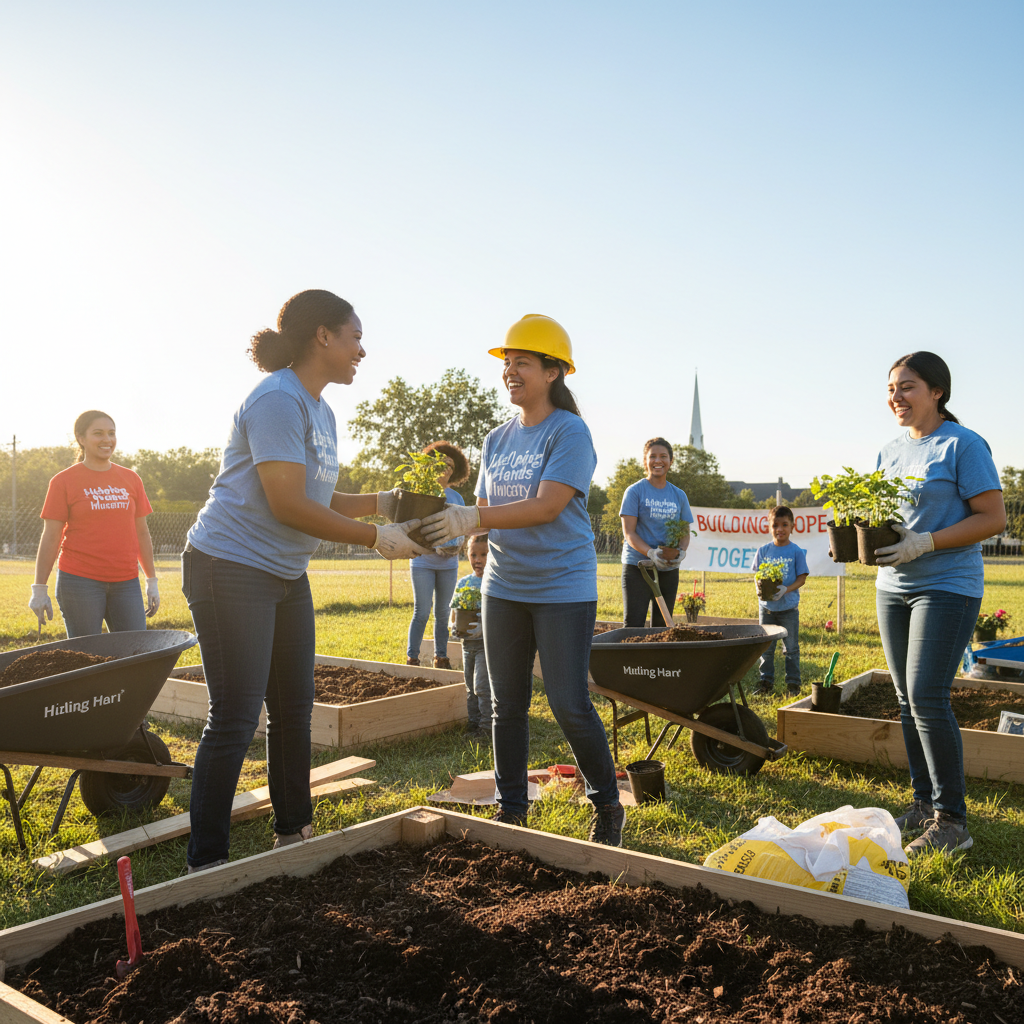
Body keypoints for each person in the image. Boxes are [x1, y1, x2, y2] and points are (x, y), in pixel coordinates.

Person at [182, 289, 428, 873]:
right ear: (323, 336)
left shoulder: (320, 409)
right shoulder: (275, 399)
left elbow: (317, 491)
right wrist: (375, 539)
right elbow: (288, 503)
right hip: (230, 567)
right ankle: (206, 862)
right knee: (237, 717)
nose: (361, 351)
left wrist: (382, 502)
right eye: (355, 337)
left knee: (294, 708)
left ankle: (293, 835)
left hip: (286, 573)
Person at [419, 314, 626, 847]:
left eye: (523, 364)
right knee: (504, 704)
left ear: (553, 372)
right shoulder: (496, 438)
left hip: (562, 586)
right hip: (504, 587)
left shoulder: (569, 432)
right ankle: (511, 811)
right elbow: (486, 504)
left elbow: (547, 506)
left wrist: (476, 520)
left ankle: (605, 801)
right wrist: (472, 536)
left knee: (567, 702)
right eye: (507, 364)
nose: (511, 372)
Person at [873, 351, 1004, 857]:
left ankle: (953, 821)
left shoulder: (963, 444)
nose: (896, 397)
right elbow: (886, 515)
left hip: (947, 583)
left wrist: (925, 541)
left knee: (927, 695)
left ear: (937, 392)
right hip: (893, 585)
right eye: (891, 389)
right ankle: (923, 805)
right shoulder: (888, 450)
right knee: (907, 698)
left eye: (907, 387)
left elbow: (993, 518)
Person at [30, 410, 160, 638]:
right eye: (98, 433)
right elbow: (51, 537)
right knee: (86, 655)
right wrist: (39, 589)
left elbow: (142, 533)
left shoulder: (131, 479)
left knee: (135, 651)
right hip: (80, 581)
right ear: (80, 438)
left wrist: (151, 580)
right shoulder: (63, 481)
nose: (107, 440)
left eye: (111, 433)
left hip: (126, 581)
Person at [406, 441, 469, 669]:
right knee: (421, 611)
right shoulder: (421, 491)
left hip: (449, 564)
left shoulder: (456, 498)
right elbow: (411, 525)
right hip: (423, 561)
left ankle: (440, 657)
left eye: (451, 466)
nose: (447, 468)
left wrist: (459, 543)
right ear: (432, 464)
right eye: (443, 462)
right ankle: (412, 658)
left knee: (443, 614)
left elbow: (462, 526)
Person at [619, 437, 692, 626]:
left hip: (668, 568)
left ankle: (657, 657)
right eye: (653, 456)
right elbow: (629, 533)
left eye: (663, 456)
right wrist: (651, 553)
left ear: (670, 461)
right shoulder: (634, 491)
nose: (658, 461)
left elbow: (684, 531)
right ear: (645, 461)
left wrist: (681, 551)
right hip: (638, 567)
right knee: (634, 625)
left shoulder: (679, 495)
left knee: (662, 626)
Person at [753, 506, 809, 696]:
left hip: (789, 610)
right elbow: (757, 575)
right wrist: (759, 590)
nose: (780, 529)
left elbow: (802, 578)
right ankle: (765, 683)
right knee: (766, 649)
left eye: (785, 524)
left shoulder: (796, 551)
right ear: (769, 527)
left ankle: (793, 685)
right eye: (775, 525)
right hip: (767, 609)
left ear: (792, 526)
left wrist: (786, 589)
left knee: (791, 649)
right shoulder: (763, 551)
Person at [449, 532, 492, 739]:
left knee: (482, 686)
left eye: (484, 555)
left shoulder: (494, 583)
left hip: (486, 644)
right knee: (469, 687)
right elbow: (454, 613)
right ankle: (473, 724)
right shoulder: (463, 583)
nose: (478, 560)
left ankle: (487, 729)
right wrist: (453, 627)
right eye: (474, 555)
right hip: (467, 644)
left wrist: (484, 625)